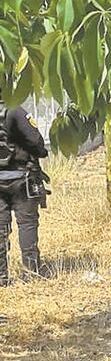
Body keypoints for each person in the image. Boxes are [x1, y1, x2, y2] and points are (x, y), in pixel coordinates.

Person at [0, 102, 48, 286]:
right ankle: (32, 273)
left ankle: (2, 278)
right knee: (27, 224)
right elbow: (37, 143)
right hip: (23, 179)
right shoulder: (16, 111)